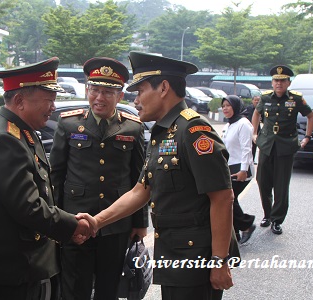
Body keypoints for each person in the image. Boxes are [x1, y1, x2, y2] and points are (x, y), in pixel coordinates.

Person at [79, 51, 235, 300]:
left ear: (163, 88)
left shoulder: (193, 131)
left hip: (196, 259)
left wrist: (219, 260)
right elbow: (141, 190)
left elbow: (222, 197)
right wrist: (97, 222)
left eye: (140, 91)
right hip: (175, 253)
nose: (136, 100)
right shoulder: (164, 133)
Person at [0, 57, 93, 300]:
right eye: (49, 100)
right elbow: (28, 206)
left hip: (20, 266)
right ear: (19, 100)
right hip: (6, 272)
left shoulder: (22, 132)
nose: (53, 107)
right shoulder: (5, 139)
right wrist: (72, 224)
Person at [49, 57, 148, 300]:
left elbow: (140, 180)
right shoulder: (69, 124)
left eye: (107, 92)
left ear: (120, 96)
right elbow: (55, 176)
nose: (99, 98)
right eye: (94, 90)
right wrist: (56, 219)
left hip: (116, 224)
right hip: (75, 219)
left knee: (109, 286)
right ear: (87, 90)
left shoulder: (133, 128)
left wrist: (140, 222)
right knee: (74, 286)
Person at [252, 65, 313, 235]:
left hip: (286, 146)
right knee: (262, 181)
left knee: (281, 185)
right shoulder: (265, 98)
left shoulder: (296, 99)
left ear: (288, 83)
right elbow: (257, 114)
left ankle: (277, 219)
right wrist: (254, 133)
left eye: (282, 81)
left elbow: (311, 116)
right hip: (266, 144)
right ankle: (267, 214)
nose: (279, 84)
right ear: (272, 83)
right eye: (276, 81)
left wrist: (307, 137)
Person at [221, 95, 256, 244]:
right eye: (223, 106)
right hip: (229, 167)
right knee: (228, 199)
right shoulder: (228, 125)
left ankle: (247, 224)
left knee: (227, 199)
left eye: (228, 105)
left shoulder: (244, 124)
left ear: (236, 106)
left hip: (242, 168)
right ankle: (235, 232)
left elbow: (247, 149)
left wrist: (243, 170)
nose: (225, 109)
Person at [246, 95, 261, 161]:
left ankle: (253, 159)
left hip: (257, 130)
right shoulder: (248, 108)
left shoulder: (262, 109)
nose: (257, 101)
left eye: (258, 100)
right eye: (255, 100)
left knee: (255, 146)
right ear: (252, 101)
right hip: (248, 130)